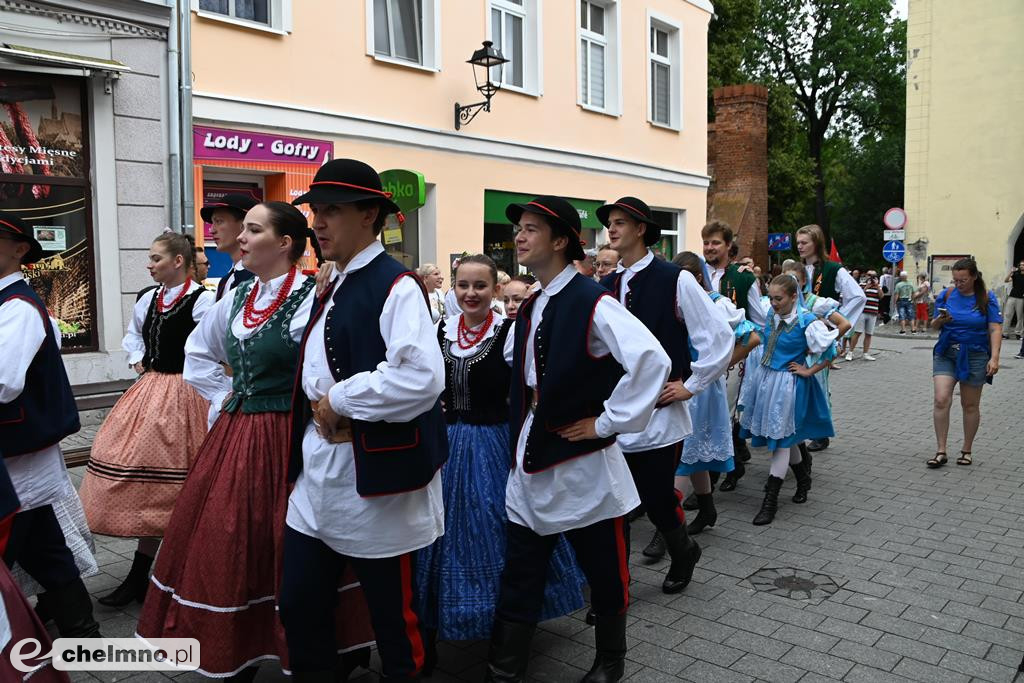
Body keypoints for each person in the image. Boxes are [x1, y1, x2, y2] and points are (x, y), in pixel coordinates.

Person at [136, 203, 374, 680]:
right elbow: (198, 352)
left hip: (295, 432)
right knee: (233, 535)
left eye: (253, 229)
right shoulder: (236, 296)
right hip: (240, 432)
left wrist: (323, 406)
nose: (239, 238)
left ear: (284, 243)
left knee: (300, 539)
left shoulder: (314, 296)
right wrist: (228, 394)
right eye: (241, 229)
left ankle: (337, 645)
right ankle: (239, 642)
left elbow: (336, 362)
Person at [485, 195, 670, 682]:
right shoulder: (535, 302)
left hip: (583, 466)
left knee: (605, 570)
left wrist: (607, 422)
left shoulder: (592, 300)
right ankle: (504, 670)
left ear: (562, 240)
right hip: (533, 456)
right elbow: (521, 368)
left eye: (530, 229)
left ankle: (611, 661)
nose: (519, 237)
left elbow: (651, 359)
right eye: (519, 228)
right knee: (520, 570)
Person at [280, 159, 448, 680]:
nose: (318, 222)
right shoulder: (334, 280)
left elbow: (421, 377)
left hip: (376, 482)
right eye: (316, 211)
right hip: (319, 475)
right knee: (300, 605)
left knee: (393, 620)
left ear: (370, 214)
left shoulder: (396, 285)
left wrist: (340, 400)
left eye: (331, 210)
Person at [415, 255, 584, 672]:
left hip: (490, 444)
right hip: (444, 445)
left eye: (480, 286)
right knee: (431, 535)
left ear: (494, 290)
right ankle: (427, 634)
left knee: (494, 528)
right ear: (453, 288)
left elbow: (534, 386)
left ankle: (502, 631)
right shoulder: (439, 330)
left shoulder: (509, 333)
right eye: (462, 285)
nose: (471, 294)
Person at [599, 198, 732, 586]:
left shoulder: (675, 278)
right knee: (615, 502)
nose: (612, 229)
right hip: (615, 408)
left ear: (642, 229)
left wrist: (690, 385)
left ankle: (684, 551)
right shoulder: (605, 286)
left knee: (657, 497)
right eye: (610, 223)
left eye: (621, 222)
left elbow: (718, 336)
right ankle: (615, 585)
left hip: (658, 410)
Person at [78, 232, 214, 607]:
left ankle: (176, 576)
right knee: (140, 478)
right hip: (150, 391)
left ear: (178, 262)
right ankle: (143, 575)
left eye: (156, 258)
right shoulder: (147, 298)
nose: (149, 264)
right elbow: (133, 335)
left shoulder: (203, 301)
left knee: (183, 491)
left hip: (191, 395)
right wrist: (136, 357)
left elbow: (213, 348)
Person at [0, 211, 101, 640]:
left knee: (12, 542)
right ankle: (83, 632)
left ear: (20, 249)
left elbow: (3, 381)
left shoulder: (18, 308)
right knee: (45, 548)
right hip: (20, 452)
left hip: (18, 450)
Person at [670, 252, 760, 535]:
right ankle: (707, 507)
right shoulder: (675, 304)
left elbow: (752, 336)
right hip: (681, 384)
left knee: (684, 453)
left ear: (697, 278)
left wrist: (721, 365)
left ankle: (669, 529)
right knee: (691, 450)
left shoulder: (718, 304)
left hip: (703, 389)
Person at [739, 275, 837, 525]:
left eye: (778, 298)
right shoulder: (772, 315)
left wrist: (807, 370)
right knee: (785, 437)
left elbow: (830, 351)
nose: (773, 303)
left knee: (780, 442)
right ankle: (803, 479)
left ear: (794, 296)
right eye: (771, 298)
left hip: (788, 387)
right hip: (768, 381)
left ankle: (770, 501)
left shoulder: (807, 321)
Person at [701, 220, 767, 491]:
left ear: (729, 246)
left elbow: (759, 322)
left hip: (734, 357)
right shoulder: (696, 274)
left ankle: (719, 474)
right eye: (706, 242)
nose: (709, 248)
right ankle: (729, 464)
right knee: (705, 414)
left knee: (724, 414)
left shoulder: (743, 277)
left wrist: (746, 353)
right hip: (704, 355)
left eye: (715, 242)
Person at [794, 224, 865, 451]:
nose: (800, 246)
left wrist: (835, 326)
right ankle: (797, 427)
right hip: (797, 333)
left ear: (816, 242)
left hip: (819, 335)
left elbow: (857, 297)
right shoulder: (797, 269)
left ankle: (821, 433)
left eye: (804, 242)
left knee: (818, 382)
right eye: (798, 243)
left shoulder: (834, 269)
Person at [927, 258, 1002, 469]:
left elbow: (995, 329)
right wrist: (941, 320)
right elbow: (933, 326)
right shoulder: (947, 295)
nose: (958, 284)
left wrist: (994, 357)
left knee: (969, 405)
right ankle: (941, 450)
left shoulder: (986, 298)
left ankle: (966, 450)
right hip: (946, 351)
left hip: (976, 354)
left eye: (963, 280)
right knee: (941, 399)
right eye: (955, 280)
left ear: (975, 277)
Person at [204, 193, 259, 300]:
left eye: (219, 221)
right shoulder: (226, 279)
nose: (212, 230)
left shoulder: (258, 277)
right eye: (212, 222)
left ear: (244, 225)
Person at [847, 271, 881, 361]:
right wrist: (866, 287)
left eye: (874, 276)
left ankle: (865, 353)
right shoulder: (861, 284)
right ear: (866, 275)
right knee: (857, 332)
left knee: (869, 334)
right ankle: (850, 352)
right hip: (862, 312)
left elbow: (881, 296)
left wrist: (877, 286)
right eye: (869, 275)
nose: (871, 277)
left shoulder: (878, 285)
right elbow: (858, 296)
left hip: (873, 312)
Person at [1002, 259, 1024, 339]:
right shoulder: (1015, 274)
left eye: (1023, 265)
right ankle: (1005, 333)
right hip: (1012, 297)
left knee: (1020, 317)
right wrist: (1011, 272)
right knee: (1007, 315)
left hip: (1021, 298)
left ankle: (1018, 333)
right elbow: (1006, 280)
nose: (1022, 266)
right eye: (1021, 265)